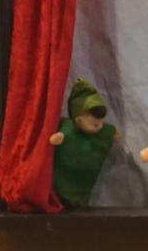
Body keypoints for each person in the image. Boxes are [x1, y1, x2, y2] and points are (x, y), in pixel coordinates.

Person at [48, 78, 120, 207]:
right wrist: (58, 137)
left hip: (86, 180)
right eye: (93, 123)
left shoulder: (102, 131)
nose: (98, 126)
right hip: (66, 177)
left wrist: (114, 133)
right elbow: (60, 135)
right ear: (78, 118)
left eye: (100, 122)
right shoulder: (68, 127)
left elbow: (112, 132)